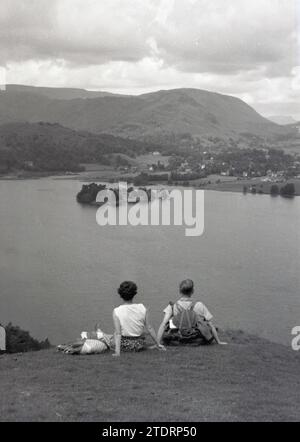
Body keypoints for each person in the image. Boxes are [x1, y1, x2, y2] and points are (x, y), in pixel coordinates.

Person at [157, 279, 227, 346]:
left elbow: (163, 325)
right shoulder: (199, 305)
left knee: (170, 323)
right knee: (207, 325)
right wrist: (218, 341)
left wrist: (157, 343)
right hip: (196, 338)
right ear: (192, 291)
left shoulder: (172, 306)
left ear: (180, 291)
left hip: (179, 338)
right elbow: (210, 325)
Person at [113, 281, 165, 357]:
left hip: (125, 345)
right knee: (141, 332)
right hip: (139, 344)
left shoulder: (116, 311)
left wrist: (117, 352)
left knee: (114, 333)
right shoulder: (142, 308)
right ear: (134, 294)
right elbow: (149, 327)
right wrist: (158, 344)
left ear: (120, 294)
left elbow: (118, 334)